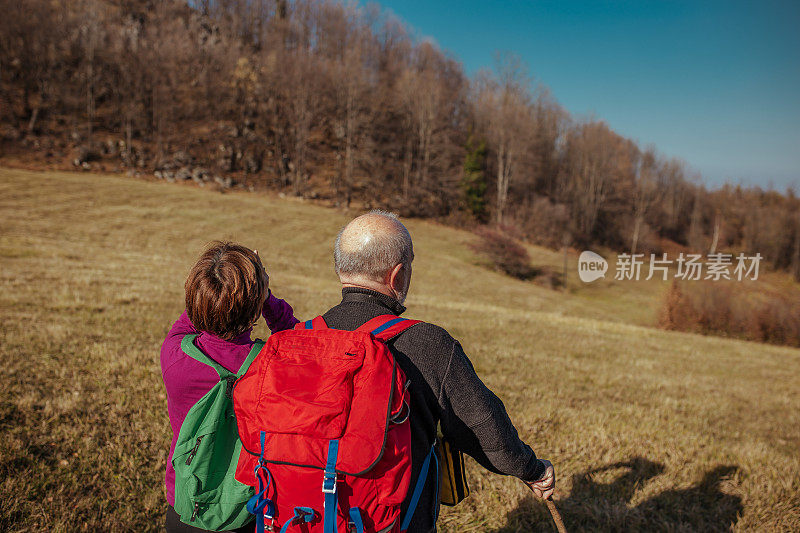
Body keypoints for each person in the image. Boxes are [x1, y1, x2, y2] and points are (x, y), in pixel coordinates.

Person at [321, 211, 555, 532]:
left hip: (304, 516)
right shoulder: (428, 343)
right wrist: (533, 470)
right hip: (390, 521)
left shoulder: (299, 339)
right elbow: (486, 431)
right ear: (398, 275)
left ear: (341, 269)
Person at [160, 242, 298, 533]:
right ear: (256, 307)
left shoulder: (175, 355)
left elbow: (190, 318)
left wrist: (213, 286)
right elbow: (296, 337)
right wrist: (265, 296)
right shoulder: (273, 364)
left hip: (186, 506)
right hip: (249, 509)